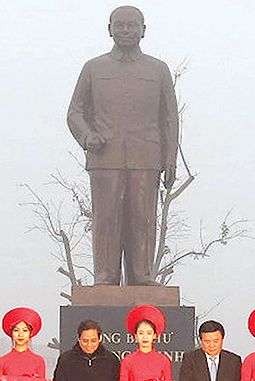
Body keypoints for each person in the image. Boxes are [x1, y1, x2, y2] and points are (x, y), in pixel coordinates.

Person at [67, 5, 179, 286]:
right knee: (107, 219)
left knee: (143, 219)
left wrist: (170, 160)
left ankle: (142, 274)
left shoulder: (158, 69)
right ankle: (105, 274)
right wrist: (87, 136)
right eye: (120, 25)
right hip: (105, 156)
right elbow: (74, 113)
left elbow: (169, 119)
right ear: (109, 29)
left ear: (144, 30)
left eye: (132, 25)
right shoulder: (94, 68)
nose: (126, 30)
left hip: (146, 156)